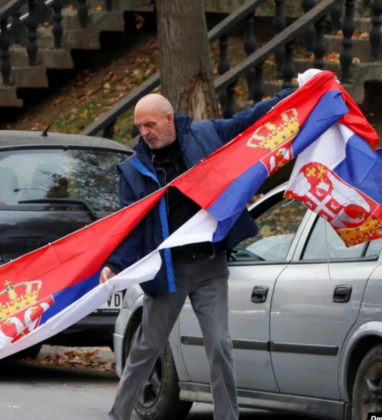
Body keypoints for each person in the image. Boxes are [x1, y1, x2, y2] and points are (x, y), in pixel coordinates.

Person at [101, 89, 293, 420]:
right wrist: (114, 263)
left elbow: (250, 120)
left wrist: (294, 94)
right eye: (139, 127)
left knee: (219, 346)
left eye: (150, 124)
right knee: (147, 348)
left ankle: (227, 416)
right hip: (168, 272)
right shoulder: (134, 170)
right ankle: (118, 414)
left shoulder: (206, 135)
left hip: (210, 265)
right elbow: (128, 226)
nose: (145, 133)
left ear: (168, 119)